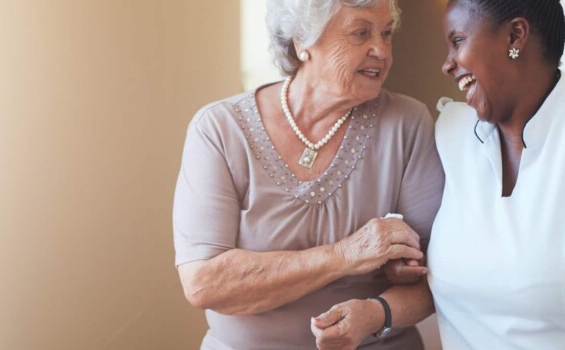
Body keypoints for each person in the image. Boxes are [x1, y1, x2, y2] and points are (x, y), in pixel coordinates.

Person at [314, 0, 565, 349]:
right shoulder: (450, 135)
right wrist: (408, 264)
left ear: (515, 36)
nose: (447, 64)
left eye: (458, 40)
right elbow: (461, 254)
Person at [172, 0, 444, 348]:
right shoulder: (220, 130)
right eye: (361, 33)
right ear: (302, 40)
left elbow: (439, 276)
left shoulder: (407, 124)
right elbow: (203, 282)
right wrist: (345, 255)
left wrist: (376, 313)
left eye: (386, 33)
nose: (381, 49)